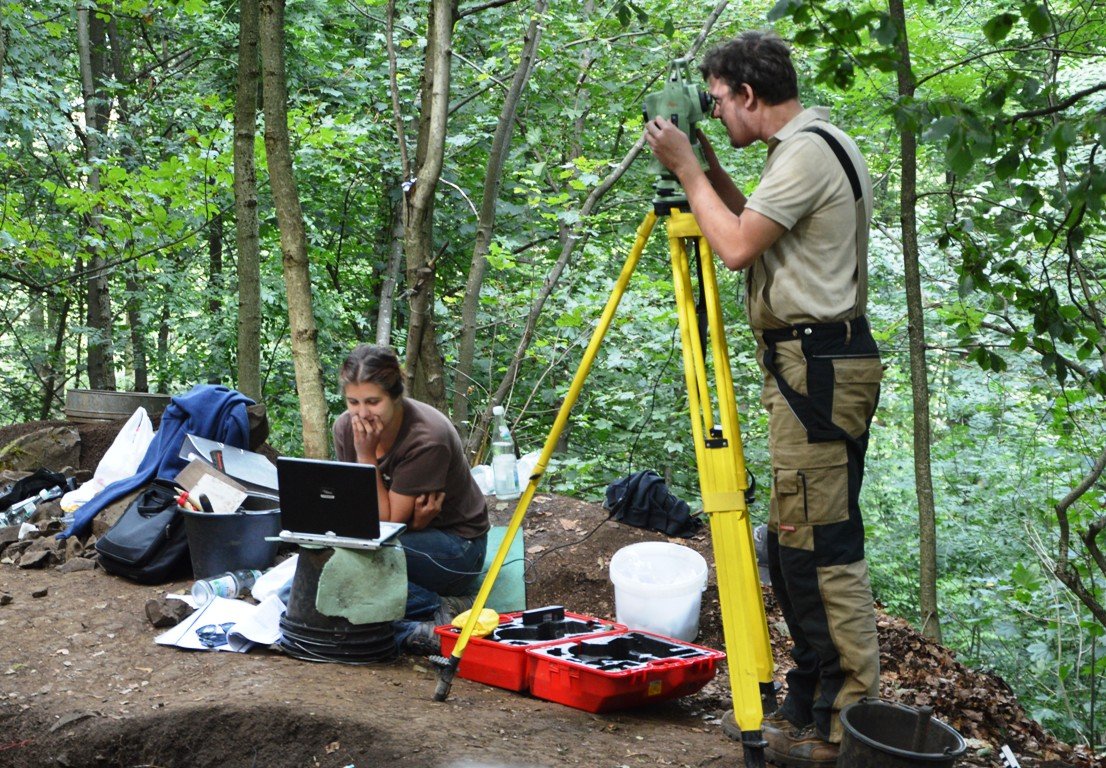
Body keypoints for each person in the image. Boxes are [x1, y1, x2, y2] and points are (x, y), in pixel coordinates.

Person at [644, 30, 882, 767]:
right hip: (811, 364)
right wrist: (710, 167)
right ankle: (810, 701)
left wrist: (687, 173)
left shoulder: (807, 150)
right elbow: (763, 226)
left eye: (717, 102)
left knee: (820, 548)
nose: (713, 114)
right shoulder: (809, 147)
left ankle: (842, 724)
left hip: (816, 367)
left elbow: (739, 247)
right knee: (793, 541)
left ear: (749, 93)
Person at [333, 344, 490, 654]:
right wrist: (412, 523)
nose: (362, 414)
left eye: (373, 402)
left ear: (395, 396)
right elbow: (357, 507)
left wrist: (365, 454)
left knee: (353, 564)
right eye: (353, 402)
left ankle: (440, 605)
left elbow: (383, 524)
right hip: (406, 532)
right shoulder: (344, 426)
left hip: (457, 546)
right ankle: (412, 624)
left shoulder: (426, 437)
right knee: (331, 563)